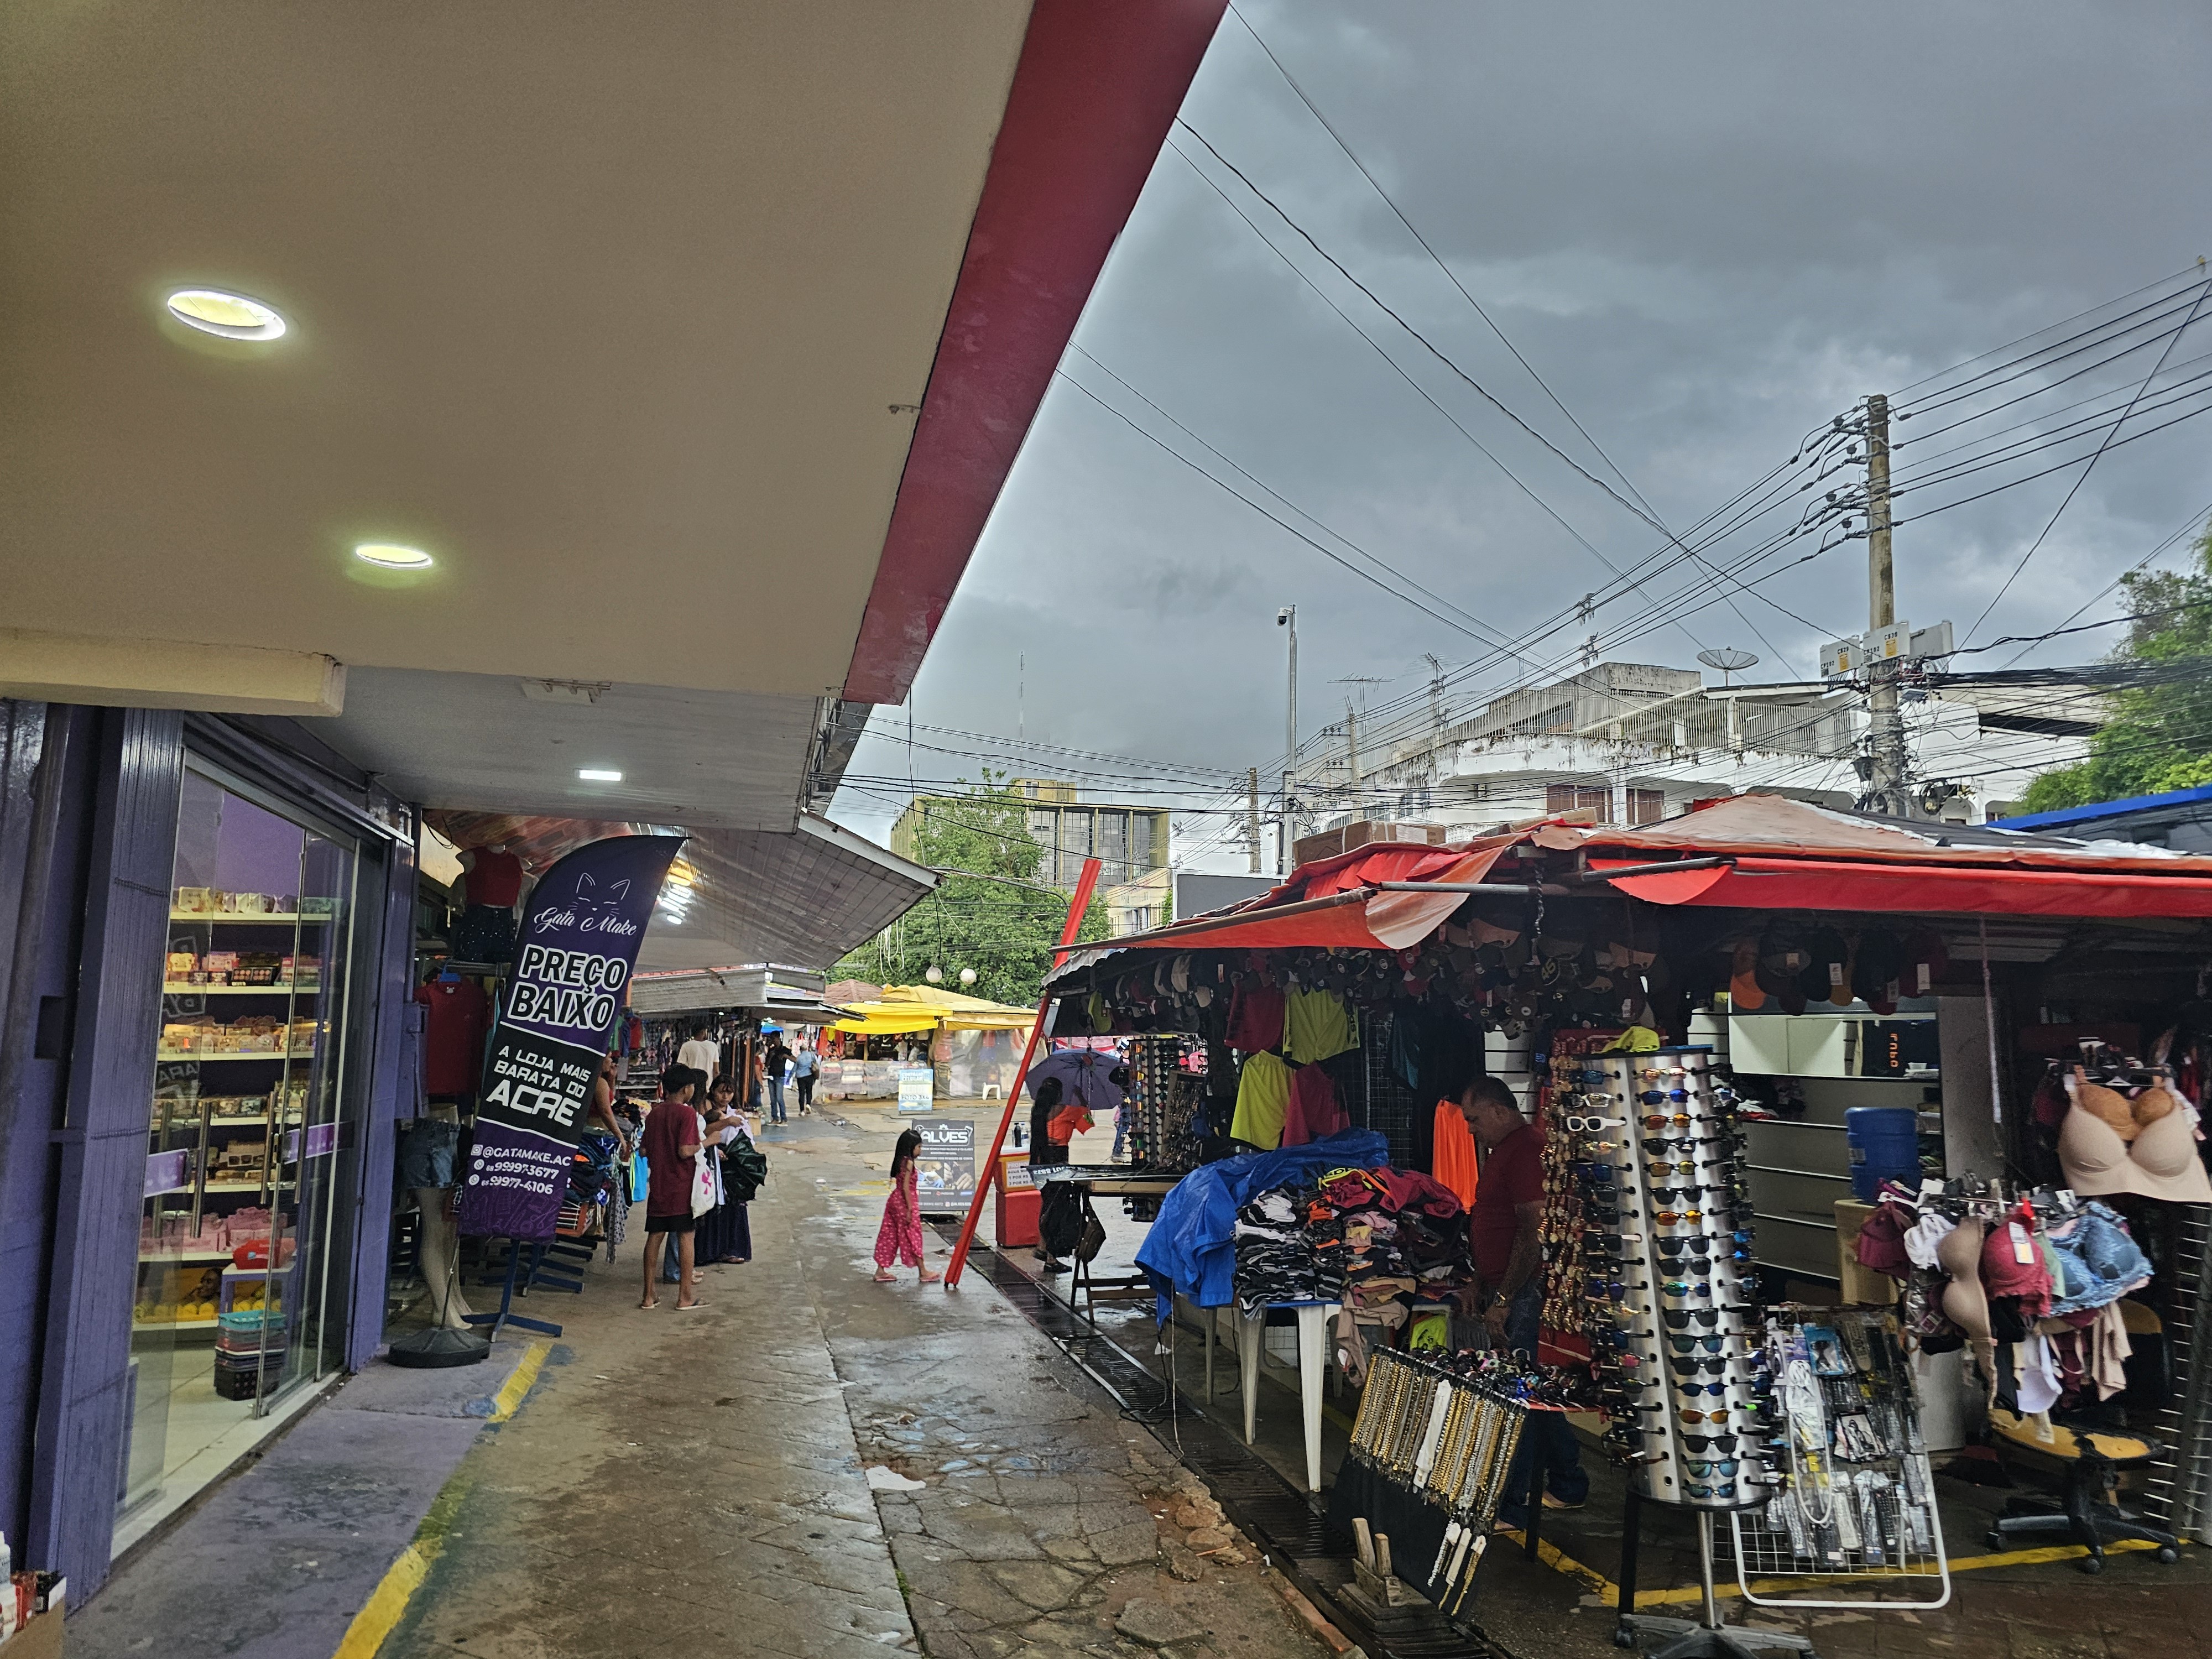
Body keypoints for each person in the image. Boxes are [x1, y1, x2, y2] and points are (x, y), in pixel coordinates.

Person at [1457, 1073, 1587, 1524]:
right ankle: (1568, 1483)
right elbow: (1496, 1222)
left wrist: (1507, 1296)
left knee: (1521, 1398)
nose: (1471, 1129)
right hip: (1505, 1287)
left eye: (1474, 1119)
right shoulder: (1504, 1151)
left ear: (1498, 1110)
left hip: (1523, 1293)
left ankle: (1516, 1503)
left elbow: (1532, 1231)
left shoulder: (1527, 1149)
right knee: (1535, 1395)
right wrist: (1480, 1280)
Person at [640, 1065, 709, 1310]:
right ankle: (685, 1297)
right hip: (682, 1185)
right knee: (686, 1237)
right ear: (686, 1089)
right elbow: (685, 1150)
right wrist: (707, 1142)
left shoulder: (655, 1113)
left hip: (659, 1185)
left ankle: (649, 1296)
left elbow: (644, 1150)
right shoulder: (687, 1114)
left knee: (655, 1237)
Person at [873, 1127, 940, 1284]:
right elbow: (906, 1188)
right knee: (913, 1236)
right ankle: (923, 1271)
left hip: (894, 1201)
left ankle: (880, 1270)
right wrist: (910, 1209)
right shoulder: (909, 1163)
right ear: (911, 1147)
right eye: (919, 1147)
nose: (921, 1150)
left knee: (889, 1235)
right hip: (904, 1202)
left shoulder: (900, 1161)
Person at [676, 1022, 721, 1088]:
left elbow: (681, 1068)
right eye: (706, 1031)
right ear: (703, 1032)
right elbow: (716, 1071)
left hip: (691, 1087)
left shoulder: (686, 1046)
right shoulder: (713, 1046)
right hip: (708, 1087)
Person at [763, 1032, 792, 1124]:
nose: (773, 1041)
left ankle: (784, 1117)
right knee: (773, 1099)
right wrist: (771, 1057)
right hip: (771, 1076)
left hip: (780, 1076)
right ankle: (775, 1117)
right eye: (772, 1039)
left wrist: (785, 1056)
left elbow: (795, 1059)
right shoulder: (771, 1050)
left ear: (778, 1038)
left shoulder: (785, 1050)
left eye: (774, 1039)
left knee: (779, 1098)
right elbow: (767, 1065)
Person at [792, 1042, 818, 1115]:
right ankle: (808, 1105)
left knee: (802, 1093)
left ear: (800, 1050)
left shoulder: (799, 1058)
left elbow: (794, 1069)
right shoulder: (812, 1055)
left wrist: (789, 1078)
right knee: (809, 1091)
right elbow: (817, 1064)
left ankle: (802, 1110)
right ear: (806, 1049)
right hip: (810, 1075)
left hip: (801, 1077)